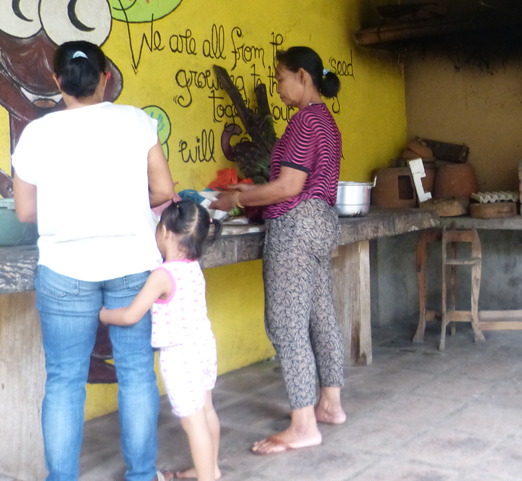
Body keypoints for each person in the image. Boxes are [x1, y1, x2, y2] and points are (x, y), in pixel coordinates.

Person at [12, 41, 175, 481]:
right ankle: (142, 475)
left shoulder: (37, 133)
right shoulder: (137, 121)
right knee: (137, 372)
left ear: (57, 81)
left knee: (64, 381)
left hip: (64, 270)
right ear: (106, 77)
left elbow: (26, 211)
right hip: (132, 264)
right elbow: (163, 191)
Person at [210, 46, 345, 455]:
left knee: (286, 324)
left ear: (303, 77)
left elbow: (289, 187)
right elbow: (299, 181)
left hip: (296, 225)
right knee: (321, 316)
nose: (278, 88)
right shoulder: (326, 121)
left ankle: (303, 425)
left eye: (281, 79)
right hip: (321, 223)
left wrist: (239, 200)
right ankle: (330, 404)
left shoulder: (304, 121)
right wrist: (251, 191)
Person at [100, 202, 223, 481]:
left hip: (181, 355)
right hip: (203, 344)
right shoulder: (192, 266)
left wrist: (105, 314)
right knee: (206, 410)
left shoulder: (162, 275)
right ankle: (211, 468)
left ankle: (207, 477)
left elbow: (132, 315)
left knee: (193, 423)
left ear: (165, 231)